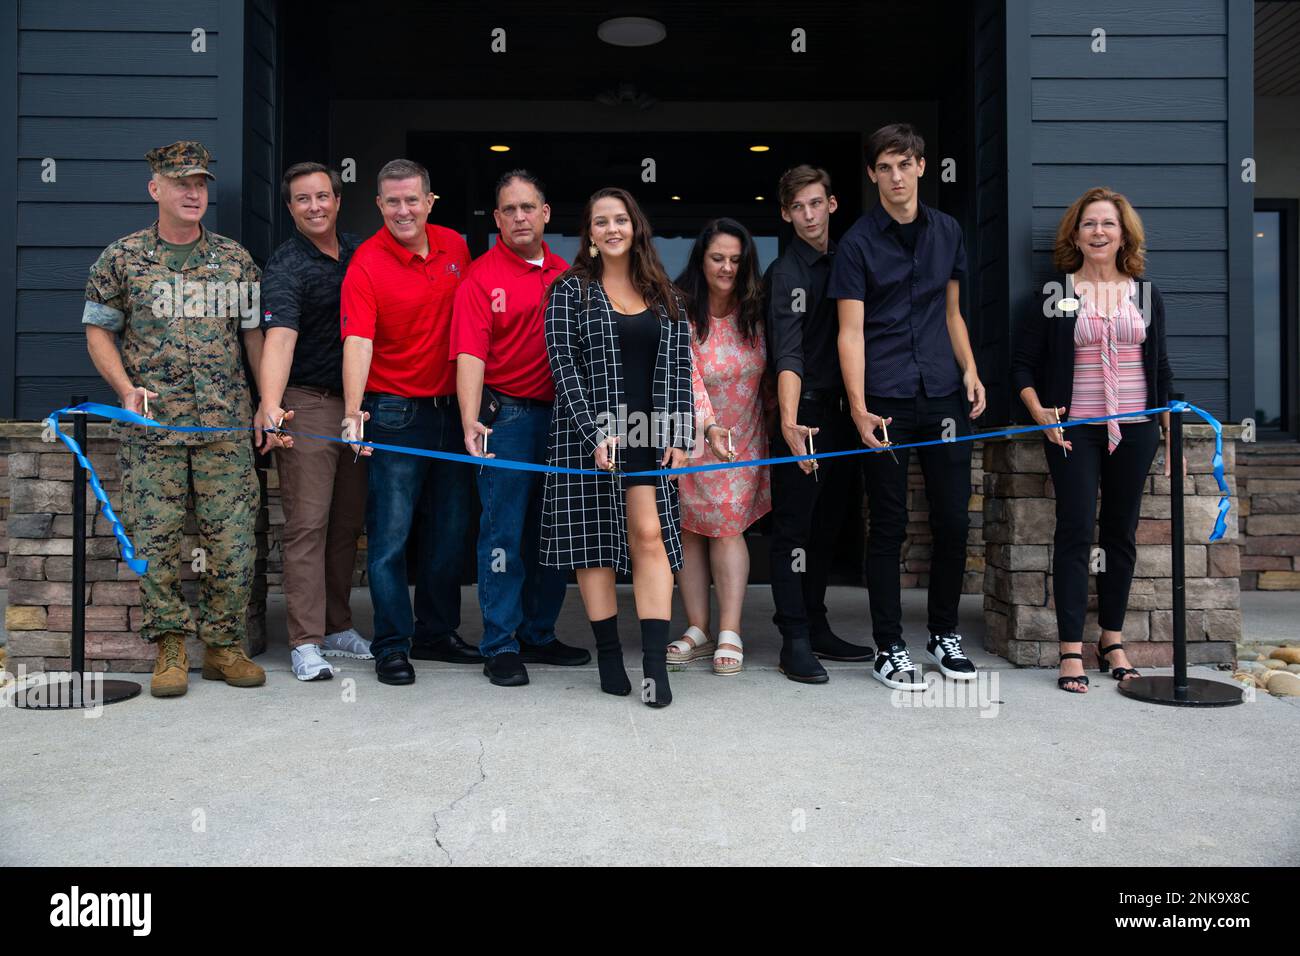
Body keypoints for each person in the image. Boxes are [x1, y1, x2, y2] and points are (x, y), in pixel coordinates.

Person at [82, 140, 265, 698]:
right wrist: (123, 388)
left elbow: (254, 334)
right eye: (182, 182)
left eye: (202, 183)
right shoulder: (122, 258)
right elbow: (98, 330)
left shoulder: (234, 259)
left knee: (233, 540)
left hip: (224, 425)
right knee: (155, 539)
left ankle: (223, 647)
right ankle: (169, 648)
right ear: (155, 188)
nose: (194, 192)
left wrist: (264, 401)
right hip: (153, 428)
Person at [830, 123, 986, 691]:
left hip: (944, 394)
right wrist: (859, 407)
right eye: (884, 167)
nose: (896, 177)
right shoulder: (856, 243)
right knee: (889, 525)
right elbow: (851, 333)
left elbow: (952, 313)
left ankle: (944, 635)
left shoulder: (948, 231)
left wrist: (969, 369)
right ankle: (889, 647)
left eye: (905, 164)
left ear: (921, 166)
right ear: (872, 175)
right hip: (887, 401)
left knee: (952, 520)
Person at [1010, 187, 1174, 693]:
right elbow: (1021, 366)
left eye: (1108, 224)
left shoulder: (1145, 294)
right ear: (1075, 235)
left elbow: (1160, 367)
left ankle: (1112, 641)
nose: (1098, 232)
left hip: (1136, 429)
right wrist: (1040, 413)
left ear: (1123, 234)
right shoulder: (1055, 293)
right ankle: (1070, 651)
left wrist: (1168, 427)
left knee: (1120, 533)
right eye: (1089, 224)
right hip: (1072, 430)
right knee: (1076, 530)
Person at [541, 187, 693, 708]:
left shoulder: (666, 294)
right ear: (588, 234)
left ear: (636, 228)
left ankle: (654, 665)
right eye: (600, 221)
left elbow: (679, 369)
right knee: (595, 546)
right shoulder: (569, 291)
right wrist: (593, 430)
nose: (611, 229)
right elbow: (564, 368)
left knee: (649, 536)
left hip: (647, 433)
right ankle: (608, 655)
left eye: (620, 220)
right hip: (587, 433)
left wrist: (678, 431)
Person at [452, 170, 587, 688]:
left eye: (528, 207)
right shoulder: (481, 277)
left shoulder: (568, 274)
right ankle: (501, 644)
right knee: (502, 535)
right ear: (498, 217)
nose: (519, 217)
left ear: (546, 213)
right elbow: (470, 353)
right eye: (509, 209)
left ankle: (539, 633)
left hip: (563, 423)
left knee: (552, 535)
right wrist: (471, 419)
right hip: (505, 419)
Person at [340, 158, 473, 686]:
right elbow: (358, 341)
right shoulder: (367, 264)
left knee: (449, 534)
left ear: (429, 201)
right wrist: (353, 414)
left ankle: (436, 632)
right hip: (394, 413)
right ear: (378, 205)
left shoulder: (456, 247)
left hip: (453, 413)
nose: (403, 210)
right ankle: (392, 644)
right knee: (391, 537)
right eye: (392, 201)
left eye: (412, 199)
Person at [254, 162, 370, 682]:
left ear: (338, 199)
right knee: (307, 526)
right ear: (290, 208)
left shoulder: (361, 253)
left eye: (323, 196)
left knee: (346, 525)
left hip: (359, 405)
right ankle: (305, 641)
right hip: (308, 404)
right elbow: (279, 338)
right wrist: (270, 405)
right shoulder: (286, 265)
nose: (315, 206)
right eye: (303, 199)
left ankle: (338, 624)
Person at [764, 165, 874, 683]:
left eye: (816, 203)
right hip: (804, 412)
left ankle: (817, 622)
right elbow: (786, 353)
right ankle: (794, 639)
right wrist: (789, 419)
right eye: (797, 207)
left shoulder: (850, 259)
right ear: (785, 214)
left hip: (845, 413)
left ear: (831, 204)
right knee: (794, 530)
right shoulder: (787, 274)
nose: (808, 215)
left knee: (829, 525)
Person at [669, 218, 770, 676]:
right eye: (717, 258)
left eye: (735, 259)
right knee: (689, 528)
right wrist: (706, 427)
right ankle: (697, 628)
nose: (727, 267)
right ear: (701, 260)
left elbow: (776, 369)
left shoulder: (758, 308)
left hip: (744, 436)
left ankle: (730, 630)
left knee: (729, 526)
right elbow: (684, 373)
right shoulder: (680, 308)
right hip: (692, 436)